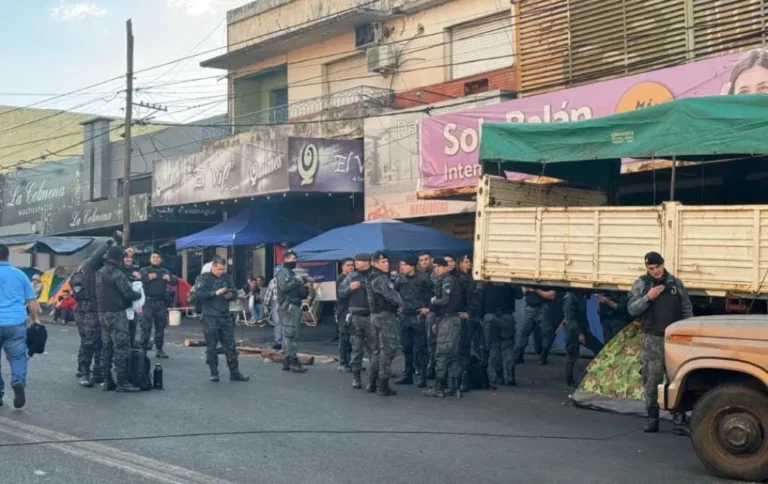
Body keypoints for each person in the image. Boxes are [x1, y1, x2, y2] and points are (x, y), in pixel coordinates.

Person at [628, 251, 693, 435]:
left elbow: (686, 307)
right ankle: (652, 418)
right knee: (651, 378)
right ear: (646, 268)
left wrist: (687, 329)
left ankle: (679, 419)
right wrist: (648, 297)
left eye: (658, 267)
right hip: (652, 339)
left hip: (674, 339)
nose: (655, 271)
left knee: (677, 379)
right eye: (651, 268)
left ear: (663, 264)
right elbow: (632, 309)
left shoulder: (675, 283)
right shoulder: (642, 284)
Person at [190, 257, 249, 383]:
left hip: (225, 316)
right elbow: (198, 295)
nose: (221, 272)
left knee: (230, 345)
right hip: (210, 316)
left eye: (223, 269)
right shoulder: (203, 278)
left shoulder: (227, 278)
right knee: (211, 346)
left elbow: (235, 293)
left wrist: (230, 295)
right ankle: (214, 372)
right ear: (213, 267)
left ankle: (234, 372)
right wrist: (214, 293)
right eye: (219, 269)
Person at [71, 233, 119, 388]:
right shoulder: (90, 266)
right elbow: (98, 254)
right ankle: (84, 372)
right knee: (90, 341)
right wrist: (112, 240)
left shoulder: (101, 270)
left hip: (100, 309)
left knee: (102, 342)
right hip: (88, 310)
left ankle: (96, 372)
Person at [96, 246, 143, 392]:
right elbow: (128, 293)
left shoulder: (99, 272)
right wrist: (138, 294)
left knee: (106, 347)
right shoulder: (117, 273)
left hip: (102, 313)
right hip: (117, 313)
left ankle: (107, 380)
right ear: (119, 258)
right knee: (121, 347)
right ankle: (122, 382)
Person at [0, 244, 41, 409]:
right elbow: (32, 301)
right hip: (16, 322)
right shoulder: (20, 275)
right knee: (17, 357)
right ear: (7, 256)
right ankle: (18, 380)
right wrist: (35, 319)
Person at [425, 257, 467, 398]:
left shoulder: (446, 280)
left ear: (445, 267)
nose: (436, 269)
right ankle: (454, 388)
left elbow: (444, 300)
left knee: (442, 354)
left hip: (447, 320)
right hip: (452, 319)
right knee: (453, 355)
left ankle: (438, 388)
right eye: (435, 266)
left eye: (438, 266)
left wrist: (433, 301)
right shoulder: (450, 280)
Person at [366, 251, 403, 396]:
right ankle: (383, 385)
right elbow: (392, 296)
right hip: (385, 316)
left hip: (375, 315)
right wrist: (400, 304)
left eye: (387, 262)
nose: (386, 264)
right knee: (388, 350)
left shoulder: (371, 277)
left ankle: (372, 382)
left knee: (376, 351)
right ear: (375, 263)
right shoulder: (381, 278)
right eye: (382, 262)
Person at [393, 255, 432, 388]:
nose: (402, 267)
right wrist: (397, 305)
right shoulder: (400, 279)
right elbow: (394, 293)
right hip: (405, 316)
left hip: (418, 315)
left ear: (412, 265)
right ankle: (408, 374)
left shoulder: (424, 278)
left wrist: (429, 308)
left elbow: (435, 293)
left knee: (421, 347)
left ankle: (422, 375)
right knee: (406, 346)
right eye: (402, 265)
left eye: (405, 264)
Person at [338, 253, 373, 389]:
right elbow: (340, 293)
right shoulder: (352, 276)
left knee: (374, 349)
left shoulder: (374, 276)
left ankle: (373, 378)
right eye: (355, 261)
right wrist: (349, 288)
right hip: (356, 317)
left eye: (359, 261)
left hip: (372, 316)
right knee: (357, 348)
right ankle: (356, 376)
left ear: (367, 262)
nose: (356, 263)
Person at [479, 282, 522, 387]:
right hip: (507, 316)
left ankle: (499, 376)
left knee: (494, 347)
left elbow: (480, 301)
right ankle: (511, 375)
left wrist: (481, 317)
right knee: (508, 347)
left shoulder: (485, 282)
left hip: (490, 316)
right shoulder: (509, 281)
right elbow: (519, 295)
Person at [276, 250, 310, 374]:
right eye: (291, 258)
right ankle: (293, 361)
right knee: (291, 334)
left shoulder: (291, 273)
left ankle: (286, 360)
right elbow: (284, 287)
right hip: (288, 306)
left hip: (294, 305)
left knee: (288, 335)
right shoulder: (282, 272)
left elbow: (301, 292)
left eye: (295, 258)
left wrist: (304, 286)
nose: (294, 261)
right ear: (285, 259)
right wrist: (297, 280)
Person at [139, 252, 177, 359]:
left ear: (161, 259)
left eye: (157, 257)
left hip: (161, 302)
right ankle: (143, 348)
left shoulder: (165, 271)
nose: (155, 259)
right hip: (148, 302)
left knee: (160, 326)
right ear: (150, 259)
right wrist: (148, 278)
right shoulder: (145, 270)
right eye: (153, 257)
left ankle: (159, 349)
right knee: (146, 326)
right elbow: (138, 279)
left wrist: (169, 278)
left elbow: (175, 281)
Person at [563, 292, 604, 388]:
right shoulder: (569, 298)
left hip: (582, 328)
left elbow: (583, 314)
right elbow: (570, 319)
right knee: (571, 355)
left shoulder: (581, 296)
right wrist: (580, 334)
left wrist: (586, 328)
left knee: (599, 348)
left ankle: (597, 374)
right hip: (572, 330)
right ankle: (569, 381)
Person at [454, 255, 482, 393]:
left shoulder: (473, 279)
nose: (469, 264)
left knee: (467, 347)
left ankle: (465, 379)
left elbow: (474, 298)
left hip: (470, 317)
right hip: (458, 317)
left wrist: (470, 313)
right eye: (466, 262)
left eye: (470, 262)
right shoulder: (457, 278)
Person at [513, 285, 556, 366]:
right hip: (530, 307)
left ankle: (544, 356)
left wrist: (536, 290)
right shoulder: (528, 280)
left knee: (546, 333)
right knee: (524, 332)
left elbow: (552, 295)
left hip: (543, 307)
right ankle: (519, 356)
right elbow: (522, 292)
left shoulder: (548, 280)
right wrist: (527, 289)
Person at [335, 258, 355, 372]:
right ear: (342, 266)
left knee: (353, 337)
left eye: (352, 265)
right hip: (343, 311)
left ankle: (351, 361)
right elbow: (341, 295)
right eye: (348, 265)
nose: (351, 267)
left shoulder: (353, 277)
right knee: (344, 337)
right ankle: (343, 363)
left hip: (352, 310)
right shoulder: (341, 279)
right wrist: (350, 288)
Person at [121, 250, 142, 348]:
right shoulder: (119, 269)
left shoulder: (136, 269)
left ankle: (131, 346)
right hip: (122, 304)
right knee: (122, 327)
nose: (129, 259)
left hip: (134, 303)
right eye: (126, 257)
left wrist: (139, 277)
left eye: (131, 257)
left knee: (133, 326)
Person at [262, 272, 282, 350]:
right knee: (277, 322)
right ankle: (279, 342)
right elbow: (268, 294)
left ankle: (285, 342)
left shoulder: (288, 280)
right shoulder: (273, 281)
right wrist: (265, 306)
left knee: (285, 323)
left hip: (286, 303)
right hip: (276, 303)